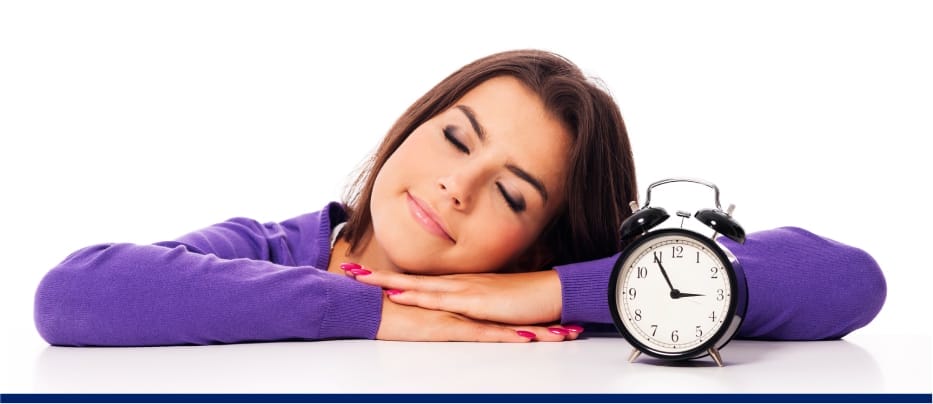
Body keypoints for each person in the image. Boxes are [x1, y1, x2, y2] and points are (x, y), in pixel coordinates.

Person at [33, 50, 886, 346]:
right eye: (454, 138)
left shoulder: (553, 306)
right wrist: (374, 313)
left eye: (510, 194)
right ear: (413, 123)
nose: (456, 184)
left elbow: (846, 281)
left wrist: (548, 291)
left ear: (538, 240)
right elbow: (72, 294)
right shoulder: (277, 248)